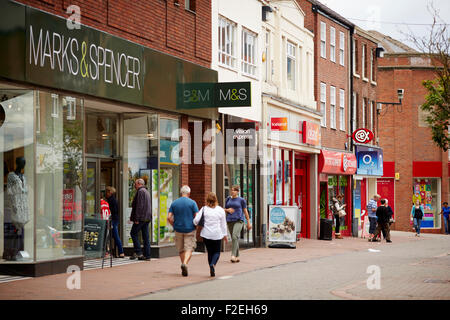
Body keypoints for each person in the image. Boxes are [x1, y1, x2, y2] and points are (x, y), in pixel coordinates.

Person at [193, 192, 228, 277]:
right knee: (217, 252)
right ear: (216, 199)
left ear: (207, 200)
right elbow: (223, 224)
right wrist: (225, 235)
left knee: (210, 252)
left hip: (206, 234)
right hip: (217, 234)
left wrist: (194, 223)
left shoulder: (204, 209)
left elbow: (196, 221)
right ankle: (213, 264)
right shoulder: (220, 210)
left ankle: (211, 267)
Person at [168, 185, 199, 277]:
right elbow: (197, 217)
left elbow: (169, 217)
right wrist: (196, 226)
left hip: (178, 229)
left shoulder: (174, 203)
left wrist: (173, 224)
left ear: (181, 193)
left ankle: (183, 265)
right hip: (190, 228)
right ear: (189, 193)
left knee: (181, 249)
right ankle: (185, 264)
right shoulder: (192, 203)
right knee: (189, 248)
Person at [224, 185, 252, 263]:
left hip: (239, 220)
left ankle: (233, 255)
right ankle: (237, 256)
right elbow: (224, 209)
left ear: (237, 191)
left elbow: (245, 211)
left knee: (234, 236)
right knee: (234, 238)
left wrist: (248, 222)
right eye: (231, 190)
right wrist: (227, 210)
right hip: (229, 220)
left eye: (234, 190)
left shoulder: (241, 200)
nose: (232, 191)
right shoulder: (228, 199)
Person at [129, 179, 152, 260]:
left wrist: (137, 218)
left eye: (135, 184)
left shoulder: (140, 191)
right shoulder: (146, 191)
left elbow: (139, 206)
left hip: (141, 218)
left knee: (133, 233)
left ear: (139, 184)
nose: (134, 186)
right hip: (147, 218)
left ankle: (138, 252)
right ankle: (147, 255)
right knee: (146, 237)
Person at [106, 186, 124, 258]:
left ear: (109, 192)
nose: (105, 194)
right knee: (112, 236)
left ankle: (120, 252)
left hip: (113, 220)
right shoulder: (112, 199)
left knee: (115, 236)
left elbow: (113, 211)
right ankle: (116, 251)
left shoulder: (111, 200)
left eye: (106, 192)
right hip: (114, 219)